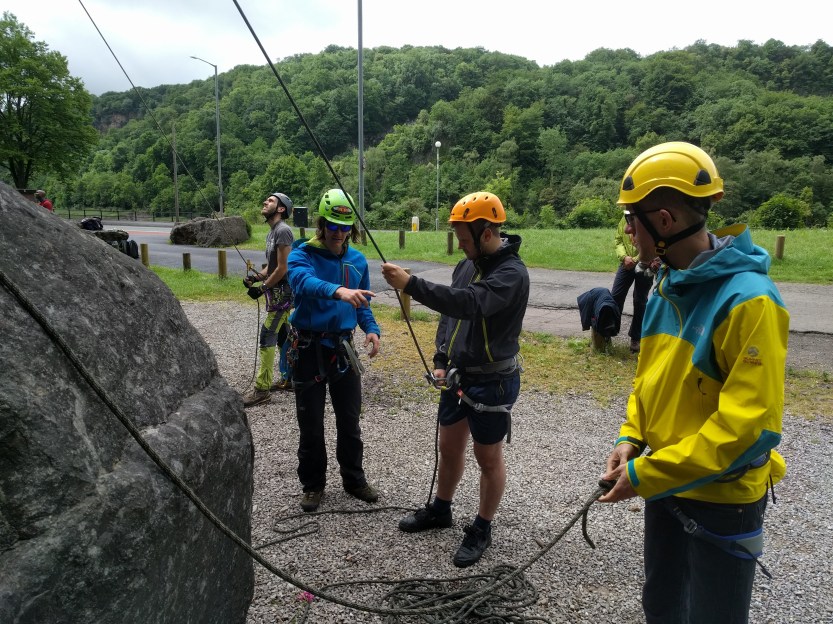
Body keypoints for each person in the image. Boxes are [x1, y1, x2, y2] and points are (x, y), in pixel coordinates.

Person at [598, 142, 789, 623]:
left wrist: (646, 475)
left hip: (723, 500)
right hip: (665, 483)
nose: (627, 231)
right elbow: (649, 383)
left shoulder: (750, 302)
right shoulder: (668, 284)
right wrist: (630, 438)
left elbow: (747, 430)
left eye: (631, 219)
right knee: (661, 605)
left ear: (663, 222)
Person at [381, 191, 529, 568]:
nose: (460, 245)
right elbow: (450, 317)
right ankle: (441, 509)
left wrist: (410, 284)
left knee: (487, 456)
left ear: (487, 232)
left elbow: (469, 305)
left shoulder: (512, 274)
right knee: (449, 447)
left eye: (465, 238)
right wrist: (441, 359)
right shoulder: (467, 264)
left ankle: (482, 527)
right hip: (459, 375)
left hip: (493, 382)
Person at [286, 188, 381, 513]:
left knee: (349, 419)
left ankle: (354, 480)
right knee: (310, 421)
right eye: (333, 227)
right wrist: (338, 291)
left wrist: (371, 329)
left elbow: (362, 303)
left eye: (345, 227)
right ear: (322, 224)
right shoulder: (302, 253)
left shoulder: (357, 260)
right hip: (309, 346)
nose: (339, 234)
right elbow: (302, 282)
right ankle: (313, 485)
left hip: (343, 347)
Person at [242, 192, 295, 408]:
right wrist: (256, 278)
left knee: (268, 333)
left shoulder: (283, 231)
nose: (265, 202)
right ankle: (290, 378)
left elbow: (284, 268)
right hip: (276, 292)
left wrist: (262, 288)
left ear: (281, 209)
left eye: (271, 201)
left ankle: (262, 390)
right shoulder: (272, 232)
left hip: (284, 295)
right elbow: (272, 266)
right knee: (285, 337)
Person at [611, 214, 657, 353]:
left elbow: (653, 242)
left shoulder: (648, 218)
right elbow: (618, 240)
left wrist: (636, 259)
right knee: (616, 297)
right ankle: (609, 331)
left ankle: (636, 338)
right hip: (626, 264)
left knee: (640, 300)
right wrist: (624, 257)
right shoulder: (623, 219)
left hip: (645, 263)